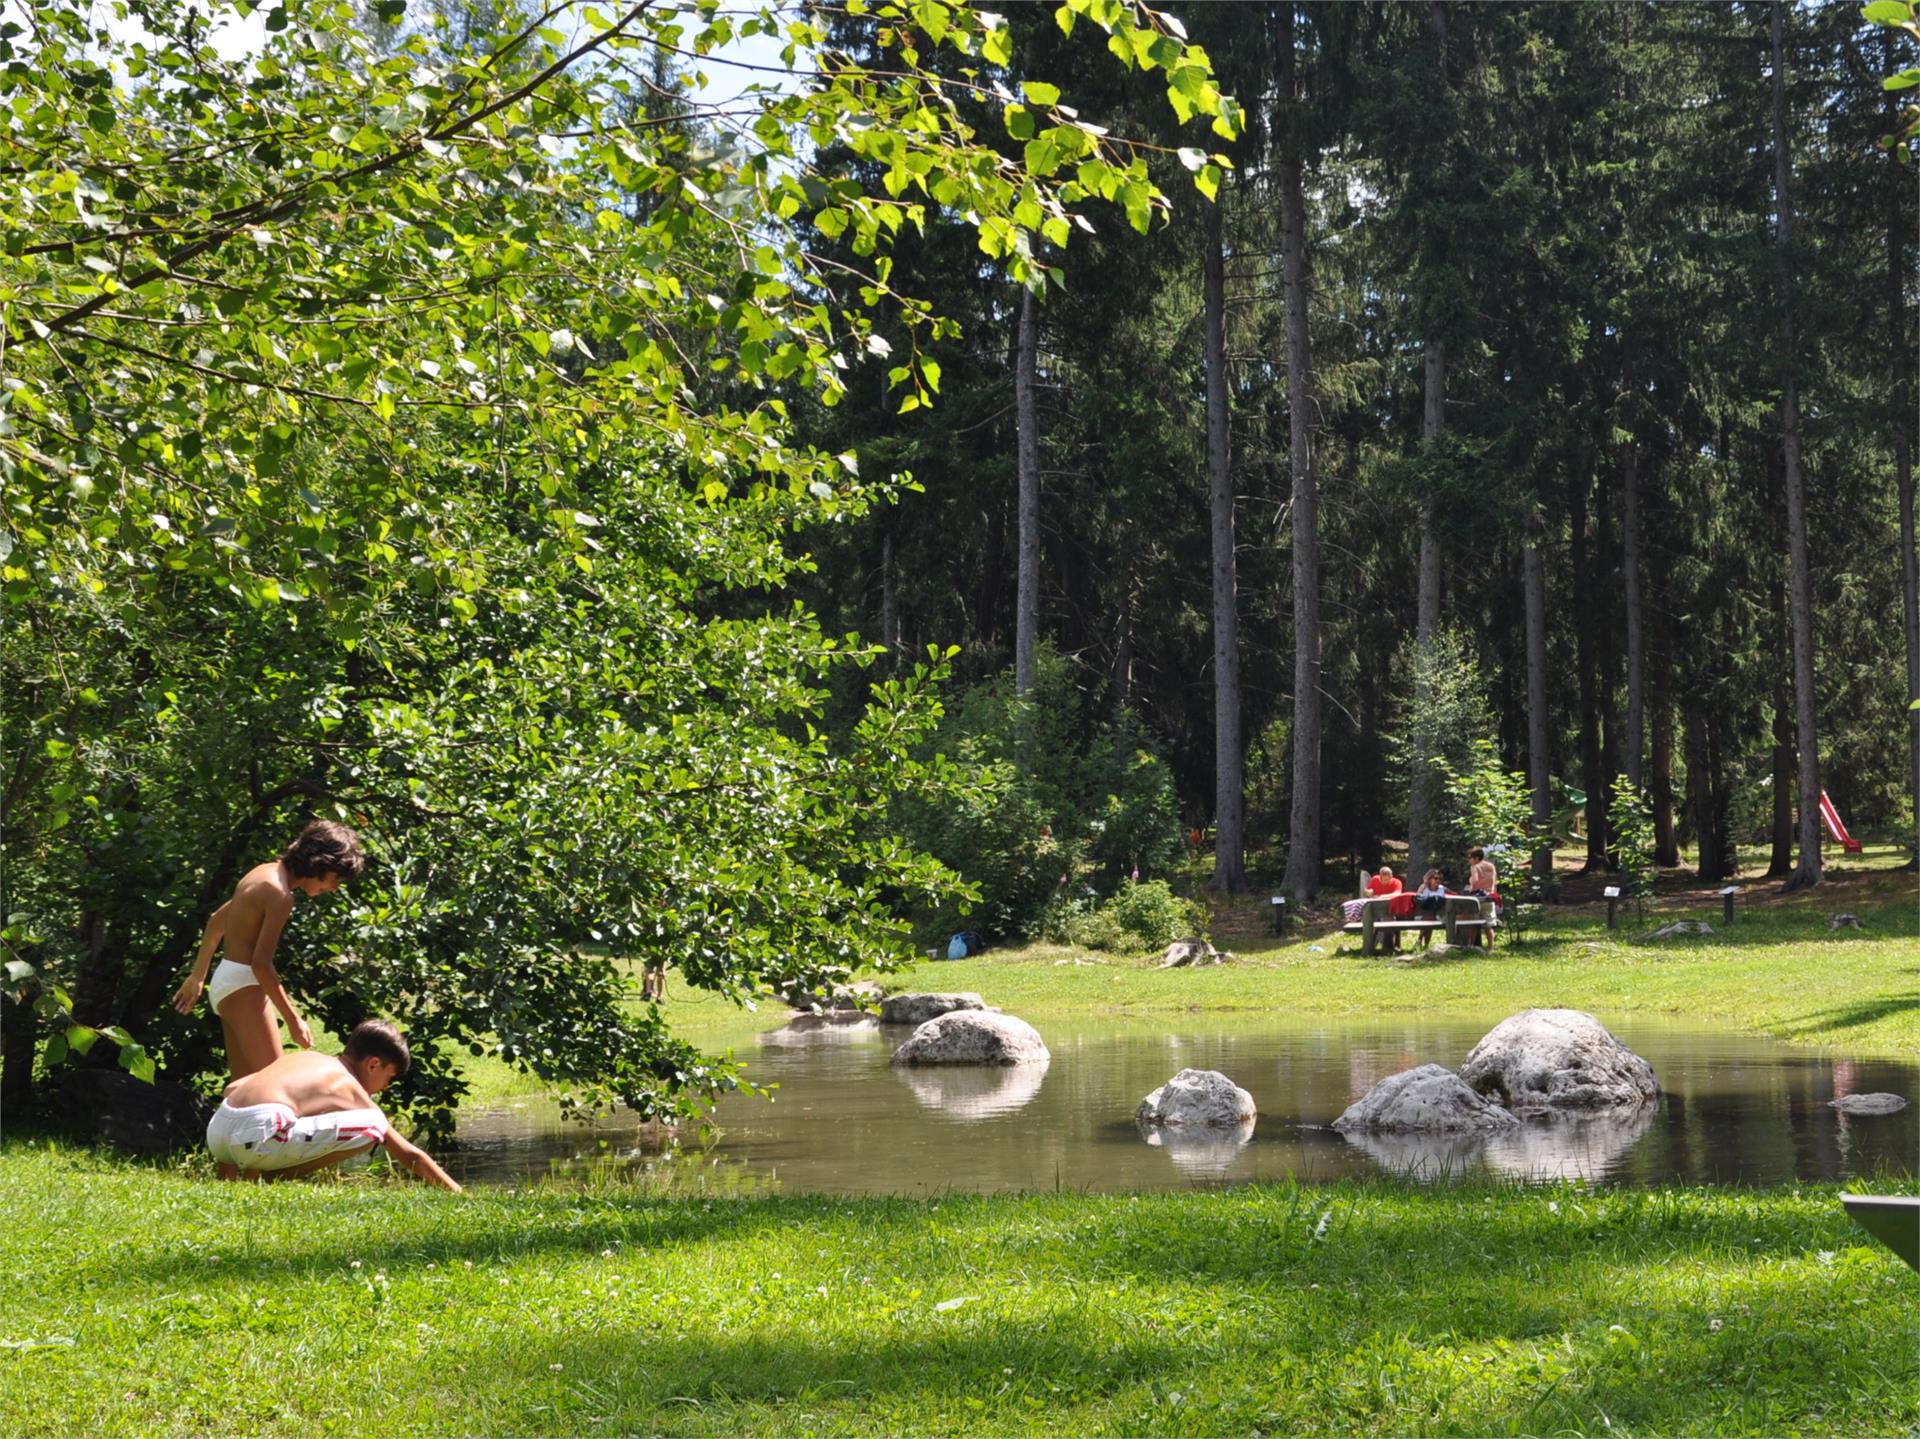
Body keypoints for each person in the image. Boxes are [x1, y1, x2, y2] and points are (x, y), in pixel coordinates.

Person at [171, 820, 365, 1080]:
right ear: (321, 863)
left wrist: (198, 976)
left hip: (225, 982)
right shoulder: (280, 895)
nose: (334, 887)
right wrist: (293, 1019)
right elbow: (260, 964)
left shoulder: (262, 872)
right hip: (244, 986)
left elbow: (216, 920)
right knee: (276, 1086)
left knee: (244, 1091)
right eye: (336, 879)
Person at [205, 1019, 461, 1191]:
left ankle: (240, 1182)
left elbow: (232, 1089)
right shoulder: (347, 1083)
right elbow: (409, 1154)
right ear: (373, 1064)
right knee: (374, 1126)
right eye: (389, 1077)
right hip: (255, 1137)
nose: (385, 1087)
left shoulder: (306, 1058)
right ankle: (272, 1177)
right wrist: (459, 1194)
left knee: (277, 1117)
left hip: (218, 1132)